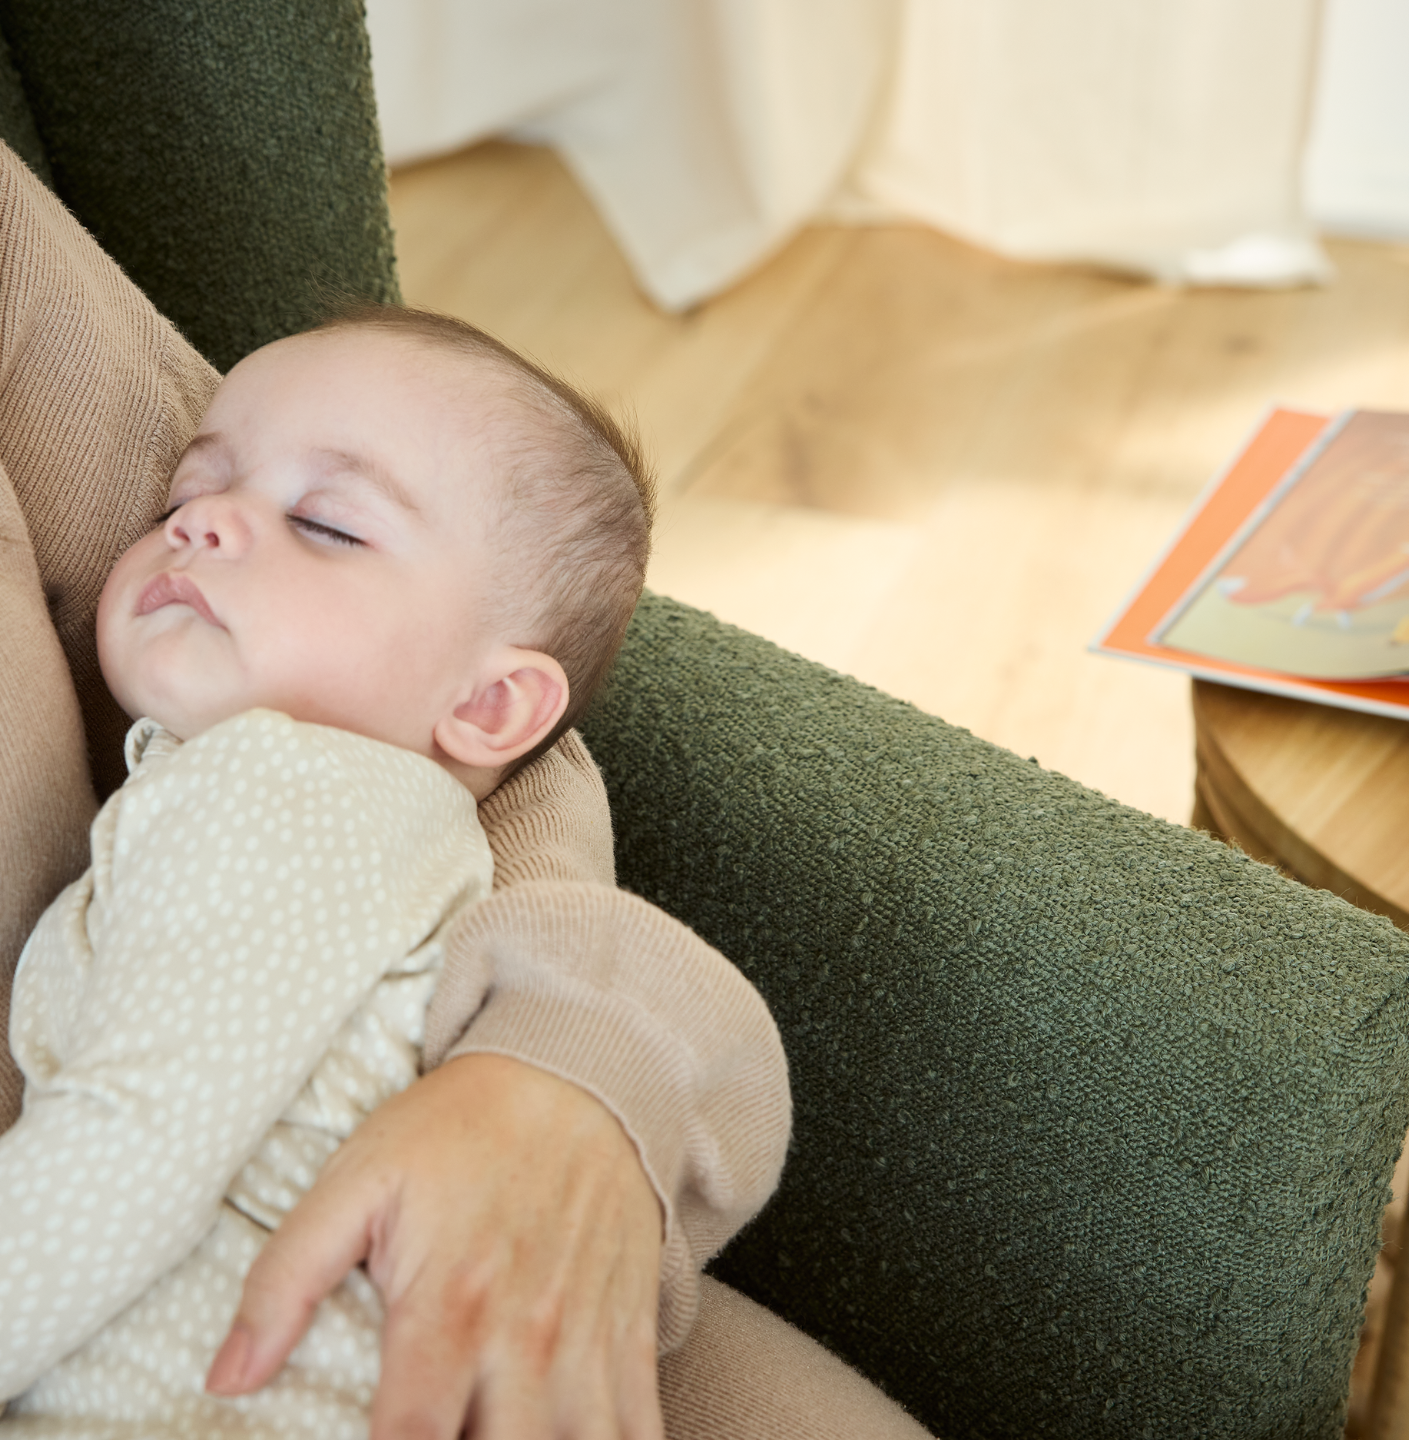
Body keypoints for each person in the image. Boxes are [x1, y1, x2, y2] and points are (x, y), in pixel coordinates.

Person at [0, 142, 932, 1439]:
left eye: (324, 524)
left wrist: (578, 1064)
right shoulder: (276, 789)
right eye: (192, 495)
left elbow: (128, 1146)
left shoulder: (280, 796)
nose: (200, 521)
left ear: (490, 710)